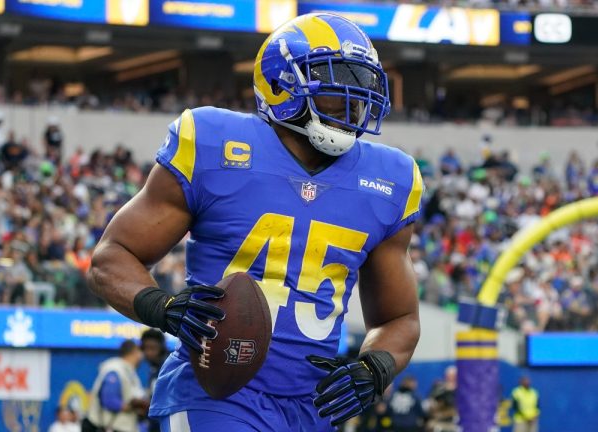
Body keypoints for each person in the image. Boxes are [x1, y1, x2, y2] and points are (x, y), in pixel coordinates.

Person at [89, 12, 422, 432]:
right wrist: (165, 307)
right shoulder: (215, 143)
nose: (355, 103)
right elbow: (111, 256)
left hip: (313, 406)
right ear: (283, 84)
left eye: (362, 87)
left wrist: (375, 366)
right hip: (216, 393)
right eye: (338, 87)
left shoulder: (390, 179)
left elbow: (399, 319)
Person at [83, 340, 149, 432]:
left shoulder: (129, 372)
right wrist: (132, 407)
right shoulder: (115, 369)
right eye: (140, 352)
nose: (142, 356)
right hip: (106, 427)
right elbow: (109, 400)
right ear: (134, 352)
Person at [140, 329, 167, 432]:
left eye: (152, 348)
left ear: (161, 348)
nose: (148, 352)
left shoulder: (167, 369)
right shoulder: (153, 370)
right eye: (145, 348)